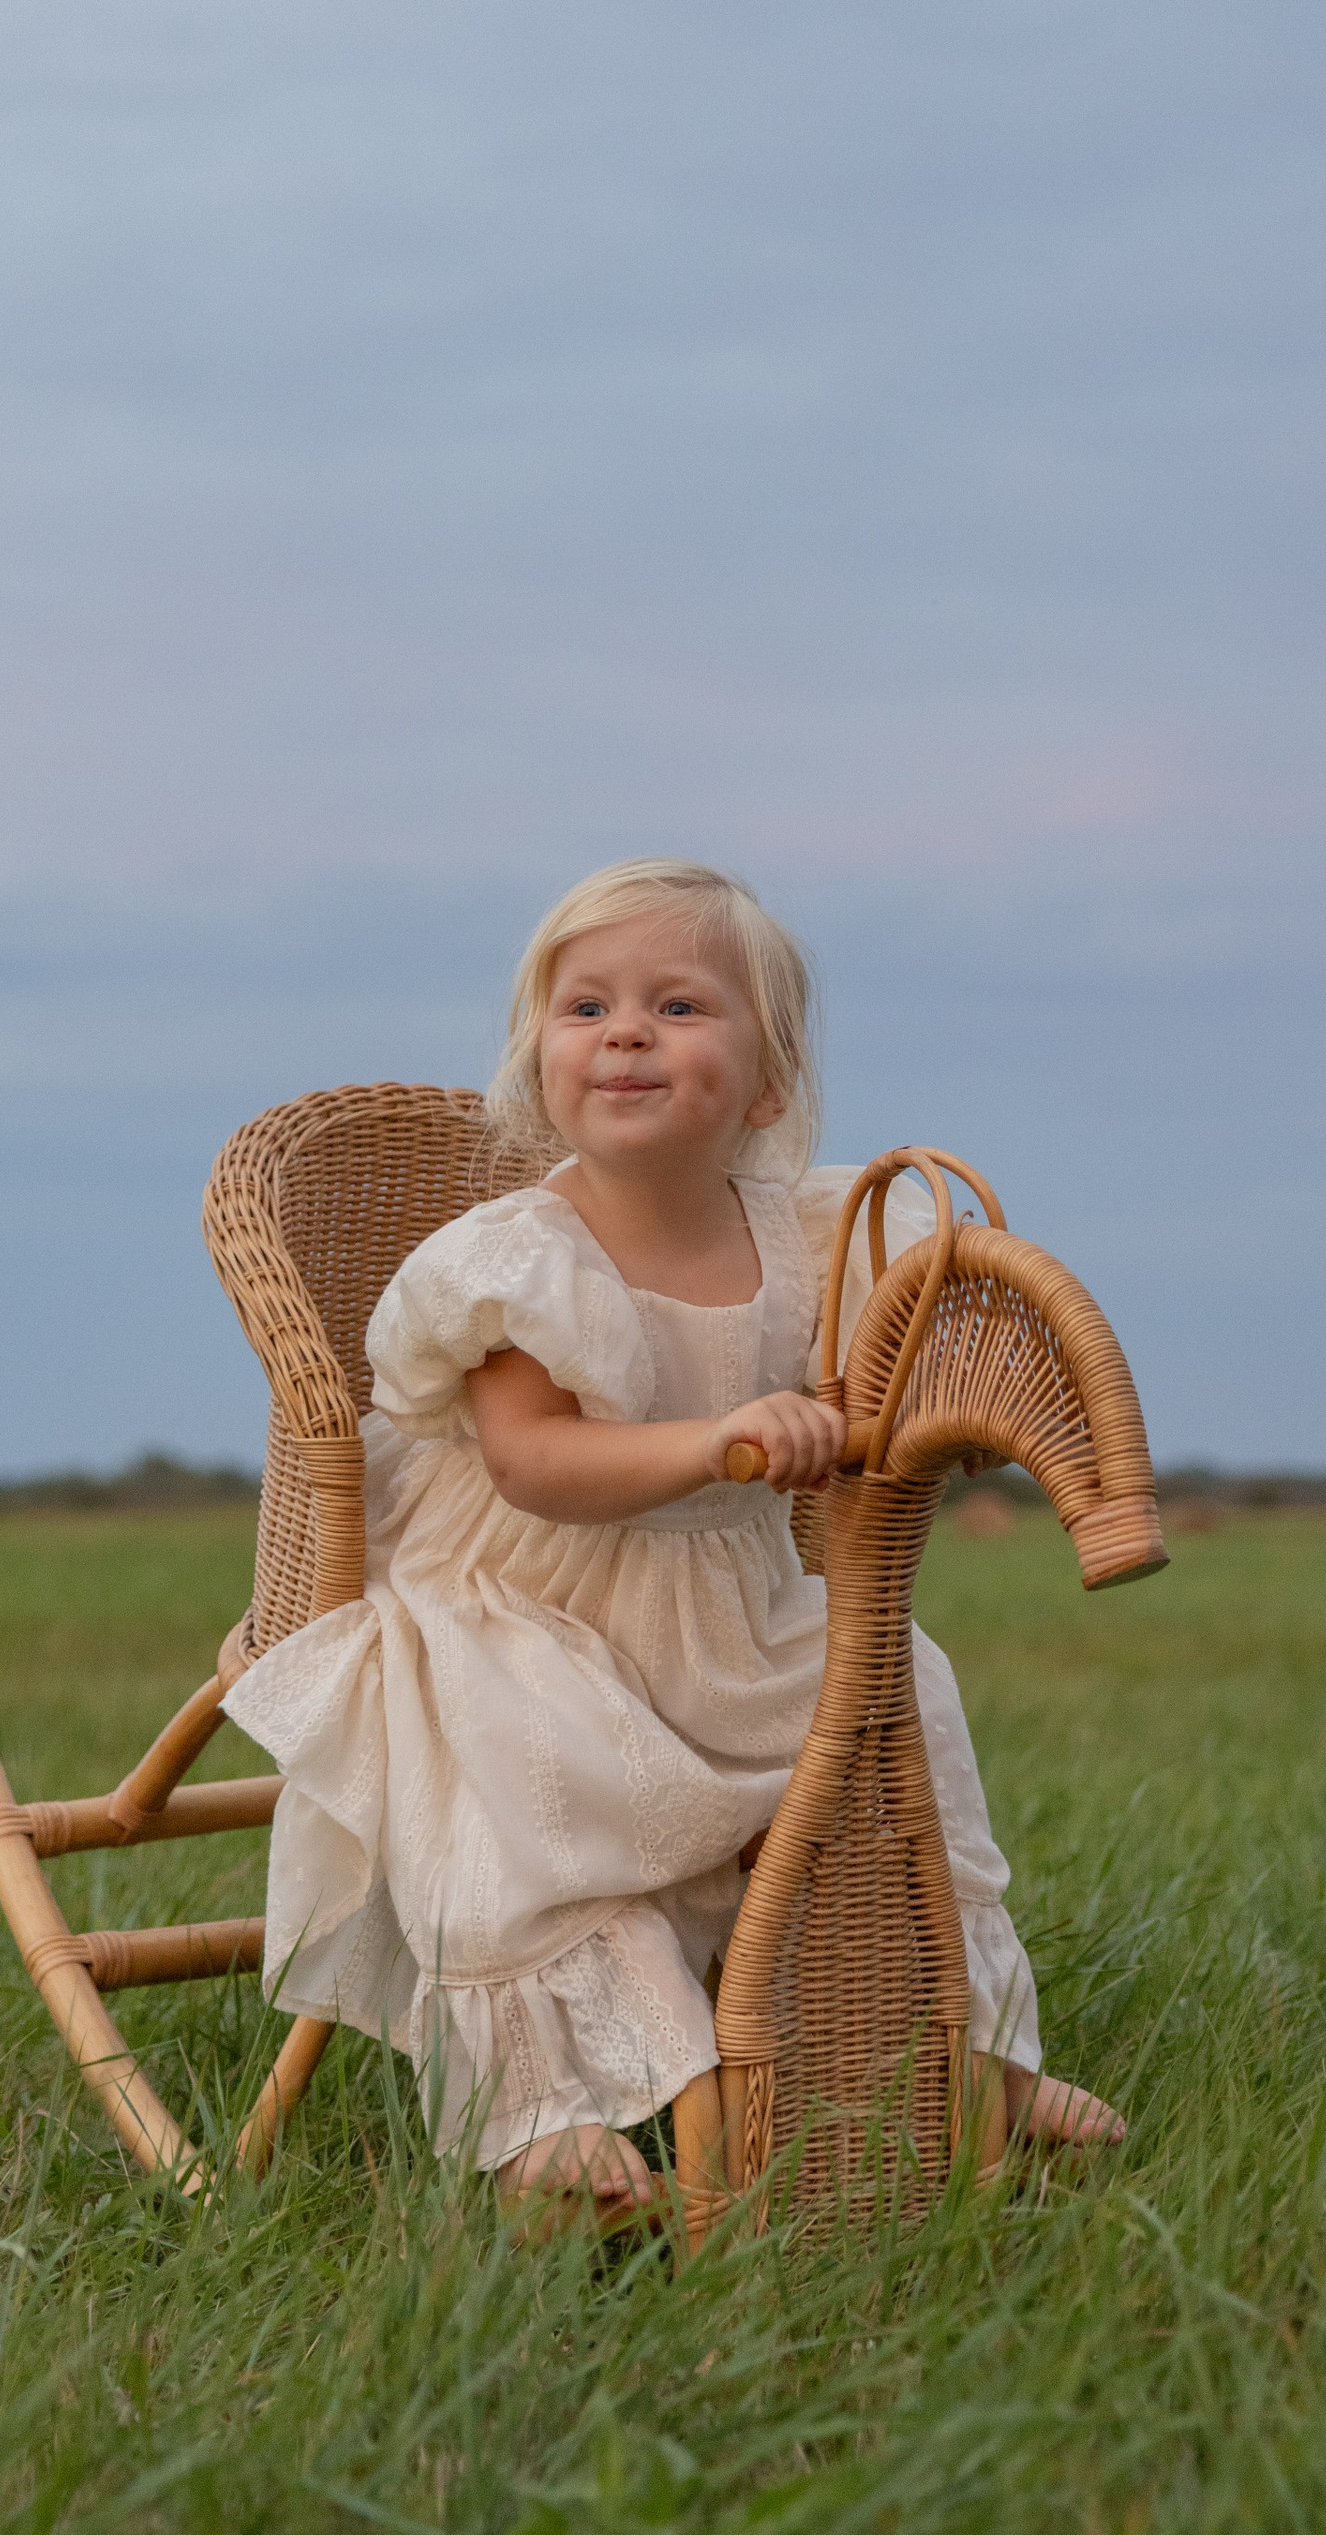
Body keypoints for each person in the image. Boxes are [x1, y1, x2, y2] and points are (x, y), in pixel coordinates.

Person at [222, 860, 1125, 2206]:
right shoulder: (515, 1258)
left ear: (767, 1084)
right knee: (526, 1786)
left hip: (727, 1599)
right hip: (518, 1599)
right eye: (584, 1007)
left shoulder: (816, 1235)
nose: (626, 1031)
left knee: (902, 1701)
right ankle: (547, 2119)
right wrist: (720, 1440)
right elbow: (532, 1463)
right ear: (540, 1069)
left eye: (680, 1004)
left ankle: (961, 2045)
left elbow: (880, 1371)